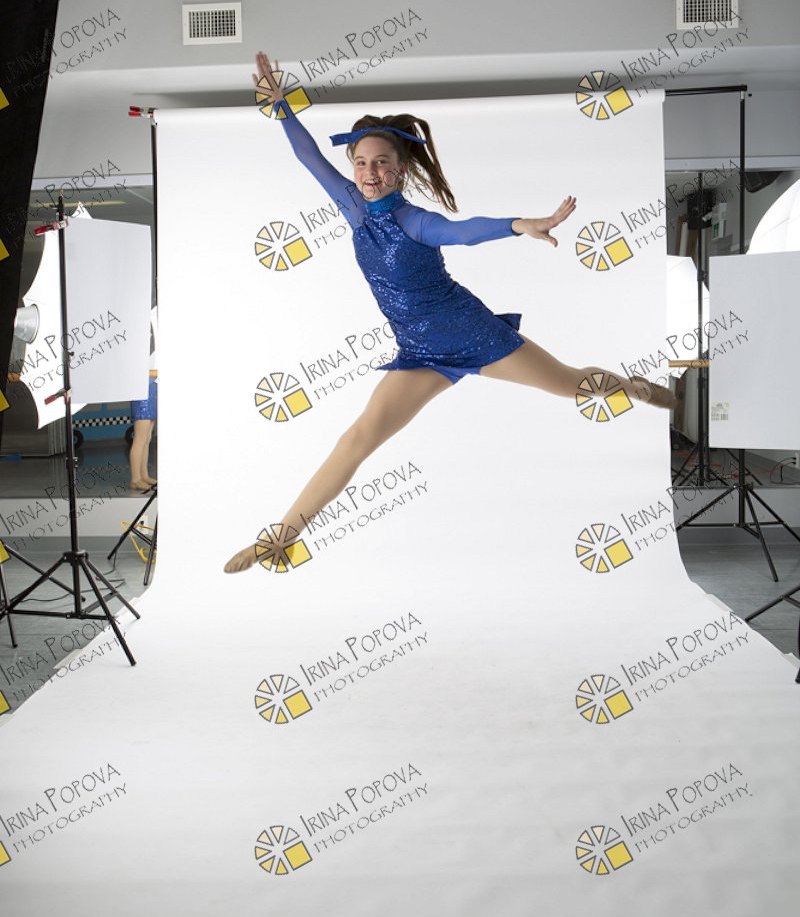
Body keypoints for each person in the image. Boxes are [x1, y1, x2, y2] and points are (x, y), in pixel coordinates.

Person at [225, 52, 675, 573]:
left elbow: (464, 232)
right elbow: (308, 157)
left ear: (400, 169)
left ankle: (633, 387)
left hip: (473, 335)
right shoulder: (352, 207)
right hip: (419, 353)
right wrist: (281, 107)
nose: (370, 172)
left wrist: (518, 225)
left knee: (574, 386)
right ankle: (280, 539)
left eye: (381, 163)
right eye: (361, 163)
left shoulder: (414, 220)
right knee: (356, 439)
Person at [128, 370, 157, 491]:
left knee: (146, 439)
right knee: (140, 440)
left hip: (152, 390)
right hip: (142, 392)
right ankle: (135, 479)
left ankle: (144, 475)